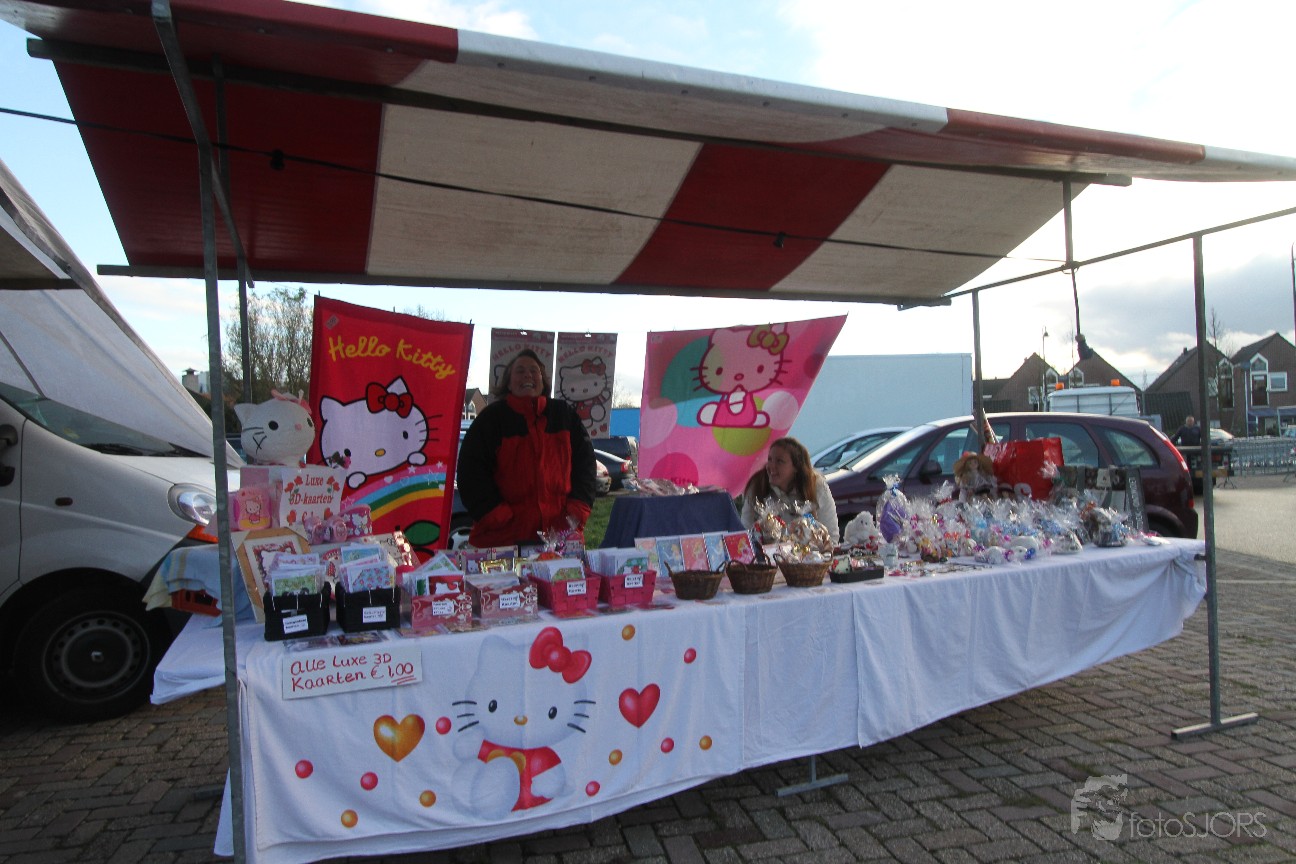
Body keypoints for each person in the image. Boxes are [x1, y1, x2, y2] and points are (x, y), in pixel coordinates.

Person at [457, 349, 597, 548]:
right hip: (503, 538)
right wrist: (495, 515)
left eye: (534, 370)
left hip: (560, 535)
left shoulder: (564, 415)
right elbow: (471, 472)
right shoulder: (490, 419)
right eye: (520, 371)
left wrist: (576, 511)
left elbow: (586, 466)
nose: (527, 375)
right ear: (508, 382)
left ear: (542, 380)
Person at [739, 437, 840, 543]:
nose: (771, 466)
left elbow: (831, 536)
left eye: (780, 461)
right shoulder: (757, 485)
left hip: (809, 553)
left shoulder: (816, 486)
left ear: (796, 467)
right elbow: (744, 534)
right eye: (770, 459)